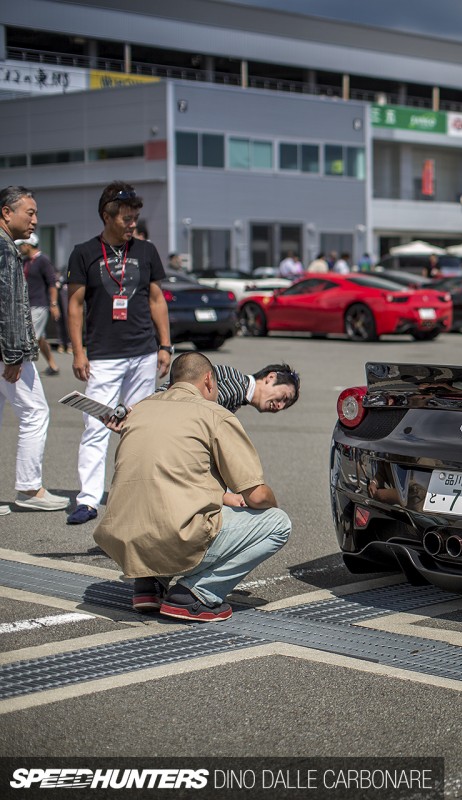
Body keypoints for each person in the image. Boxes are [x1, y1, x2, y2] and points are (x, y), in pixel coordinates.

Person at [93, 352, 290, 622]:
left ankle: (149, 584)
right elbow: (256, 494)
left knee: (162, 495)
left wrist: (219, 496)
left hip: (123, 539)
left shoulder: (139, 410)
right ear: (209, 380)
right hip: (175, 537)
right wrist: (268, 505)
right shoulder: (214, 412)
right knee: (278, 523)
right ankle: (195, 595)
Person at [65, 181, 172, 525]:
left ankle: (138, 494)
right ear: (107, 216)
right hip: (103, 355)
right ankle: (88, 499)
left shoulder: (146, 251)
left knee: (140, 427)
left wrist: (165, 345)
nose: (132, 224)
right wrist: (78, 352)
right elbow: (75, 306)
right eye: (126, 218)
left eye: (134, 218)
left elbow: (157, 300)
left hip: (143, 351)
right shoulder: (83, 253)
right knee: (96, 424)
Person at [0, 186, 70, 515]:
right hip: (7, 352)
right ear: (6, 212)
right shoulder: (5, 250)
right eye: (29, 213)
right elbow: (8, 306)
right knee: (36, 413)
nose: (35, 220)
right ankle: (29, 488)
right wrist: (13, 354)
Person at [155, 362, 300, 414]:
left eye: (285, 406)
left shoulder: (235, 381)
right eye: (284, 397)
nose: (280, 406)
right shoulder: (235, 388)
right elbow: (200, 416)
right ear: (271, 377)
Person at [16, 232, 61, 375]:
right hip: (26, 305)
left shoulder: (43, 260)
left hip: (39, 304)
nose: (20, 249)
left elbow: (52, 284)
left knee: (30, 337)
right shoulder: (25, 262)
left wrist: (53, 304)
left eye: (21, 245)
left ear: (28, 245)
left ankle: (23, 371)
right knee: (40, 338)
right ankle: (53, 366)